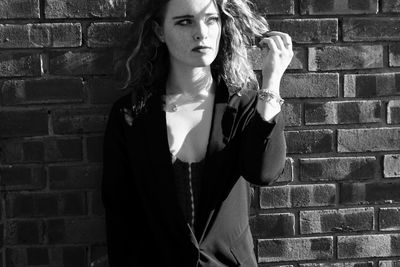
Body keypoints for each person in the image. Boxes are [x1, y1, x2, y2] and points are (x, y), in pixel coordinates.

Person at [101, 0, 293, 265]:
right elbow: (121, 218)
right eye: (184, 21)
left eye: (211, 20)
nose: (201, 32)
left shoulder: (245, 105)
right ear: (159, 32)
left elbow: (264, 172)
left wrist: (271, 83)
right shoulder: (130, 115)